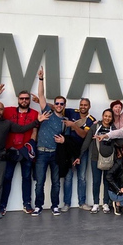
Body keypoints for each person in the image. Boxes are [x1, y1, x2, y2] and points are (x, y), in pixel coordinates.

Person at [0, 85, 38, 215]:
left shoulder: (34, 113)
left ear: (29, 100)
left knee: (27, 177)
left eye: (26, 99)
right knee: (7, 177)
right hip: (10, 150)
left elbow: (35, 130)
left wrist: (31, 145)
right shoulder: (9, 111)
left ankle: (27, 204)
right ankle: (2, 205)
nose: (24, 100)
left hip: (25, 150)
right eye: (22, 98)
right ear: (18, 99)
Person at [33, 66, 67, 216]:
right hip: (41, 153)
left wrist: (64, 140)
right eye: (57, 103)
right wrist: (41, 79)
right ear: (54, 104)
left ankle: (55, 205)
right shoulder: (46, 111)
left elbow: (69, 140)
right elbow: (40, 95)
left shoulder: (65, 121)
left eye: (61, 103)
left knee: (56, 183)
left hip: (55, 155)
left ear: (64, 105)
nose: (59, 105)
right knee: (39, 182)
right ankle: (38, 206)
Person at [59, 98, 94, 212]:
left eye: (85, 105)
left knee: (82, 177)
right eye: (81, 104)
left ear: (89, 107)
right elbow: (57, 107)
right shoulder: (71, 112)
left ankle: (82, 203)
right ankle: (66, 203)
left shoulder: (90, 120)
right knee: (68, 177)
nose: (83, 107)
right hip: (69, 150)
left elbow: (84, 134)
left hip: (82, 151)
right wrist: (40, 100)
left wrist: (73, 125)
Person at [81, 109, 116, 213]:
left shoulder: (113, 129)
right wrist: (79, 155)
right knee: (96, 182)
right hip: (95, 159)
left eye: (109, 116)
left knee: (107, 182)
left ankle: (105, 203)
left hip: (109, 159)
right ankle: (96, 203)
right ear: (102, 116)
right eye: (105, 116)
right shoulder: (95, 127)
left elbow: (119, 142)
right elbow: (87, 141)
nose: (107, 118)